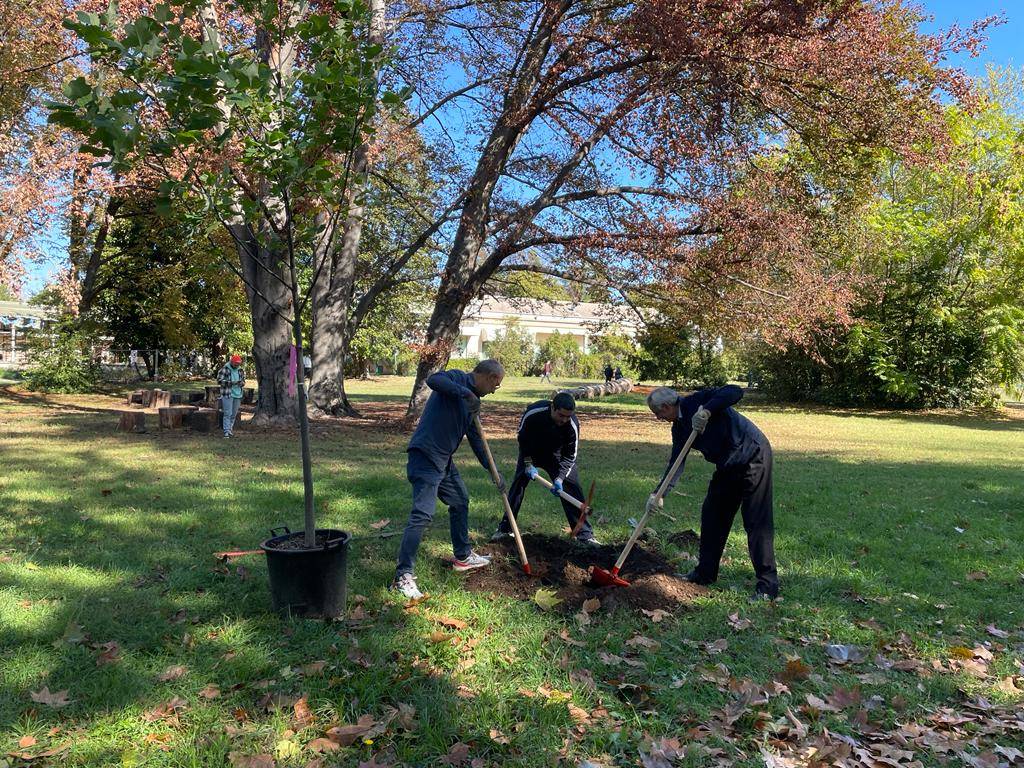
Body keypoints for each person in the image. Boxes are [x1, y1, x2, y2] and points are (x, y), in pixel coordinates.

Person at [646, 385, 778, 601]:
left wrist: (706, 410)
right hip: (728, 465)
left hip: (753, 455)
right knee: (712, 515)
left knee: (756, 520)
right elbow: (676, 463)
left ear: (667, 406)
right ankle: (705, 574)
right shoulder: (679, 428)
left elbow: (735, 391)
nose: (658, 418)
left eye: (658, 413)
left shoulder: (698, 400)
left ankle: (767, 586)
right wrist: (658, 494)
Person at [392, 359, 506, 600]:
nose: (496, 389)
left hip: (444, 461)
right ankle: (402, 576)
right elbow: (434, 380)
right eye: (497, 384)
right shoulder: (456, 379)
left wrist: (492, 470)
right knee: (422, 514)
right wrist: (464, 393)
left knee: (460, 500)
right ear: (488, 377)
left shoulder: (474, 404)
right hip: (425, 455)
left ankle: (463, 556)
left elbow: (477, 440)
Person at [491, 392, 600, 546]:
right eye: (561, 415)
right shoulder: (534, 414)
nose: (564, 420)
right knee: (518, 486)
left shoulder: (572, 425)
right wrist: (528, 464)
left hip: (558, 455)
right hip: (531, 451)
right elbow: (523, 440)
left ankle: (585, 535)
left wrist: (560, 478)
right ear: (552, 407)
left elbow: (570, 456)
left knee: (572, 487)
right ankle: (505, 529)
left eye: (568, 416)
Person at [217, 354, 245, 438]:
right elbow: (219, 381)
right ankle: (225, 431)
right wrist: (232, 383)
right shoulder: (225, 369)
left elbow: (243, 380)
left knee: (233, 414)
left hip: (238, 394)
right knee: (227, 413)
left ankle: (230, 429)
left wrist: (242, 383)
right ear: (231, 362)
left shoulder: (240, 370)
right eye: (236, 363)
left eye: (238, 363)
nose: (237, 365)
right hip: (227, 393)